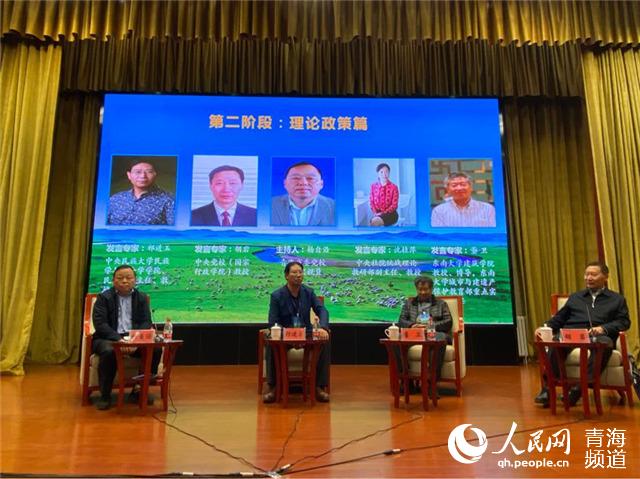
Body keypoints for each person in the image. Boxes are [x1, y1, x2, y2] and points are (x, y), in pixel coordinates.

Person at [534, 261, 630, 407]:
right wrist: (545, 327)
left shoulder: (617, 299)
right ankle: (548, 389)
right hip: (572, 333)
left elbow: (624, 322)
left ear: (605, 277)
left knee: (603, 344)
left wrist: (603, 328)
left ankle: (579, 389)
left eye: (593, 274)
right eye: (586, 274)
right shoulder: (576, 297)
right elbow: (559, 318)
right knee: (555, 343)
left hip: (598, 335)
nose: (589, 278)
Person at [91, 265, 162, 410]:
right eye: (120, 278)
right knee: (109, 352)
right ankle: (105, 395)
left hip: (134, 338)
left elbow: (146, 322)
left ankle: (139, 390)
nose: (124, 281)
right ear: (113, 280)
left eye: (129, 278)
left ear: (135, 280)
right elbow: (100, 324)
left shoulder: (141, 298)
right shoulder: (104, 298)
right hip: (108, 338)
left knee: (155, 350)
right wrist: (119, 340)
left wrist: (134, 340)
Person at [263, 261, 331, 403]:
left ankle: (318, 387)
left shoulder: (308, 292)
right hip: (284, 335)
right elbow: (273, 321)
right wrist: (285, 334)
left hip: (306, 334)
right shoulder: (277, 296)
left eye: (300, 272)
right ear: (286, 276)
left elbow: (322, 310)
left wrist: (323, 327)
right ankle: (274, 387)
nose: (298, 275)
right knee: (271, 342)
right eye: (294, 272)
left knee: (324, 341)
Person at [398, 275, 452, 382]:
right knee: (396, 342)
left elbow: (448, 322)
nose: (422, 292)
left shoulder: (441, 304)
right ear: (416, 289)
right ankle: (405, 379)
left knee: (440, 339)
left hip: (434, 333)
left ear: (431, 289)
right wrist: (412, 325)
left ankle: (432, 380)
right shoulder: (409, 303)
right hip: (415, 334)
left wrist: (431, 326)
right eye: (420, 289)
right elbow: (401, 320)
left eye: (425, 289)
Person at [108, 160, 175, 225]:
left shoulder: (169, 200)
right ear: (129, 175)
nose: (143, 176)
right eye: (138, 172)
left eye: (149, 172)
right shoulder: (115, 199)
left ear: (155, 174)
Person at [271, 162, 335, 226]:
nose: (303, 183)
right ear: (285, 183)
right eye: (296, 178)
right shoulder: (270, 205)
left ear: (321, 184)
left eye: (310, 178)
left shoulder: (335, 207)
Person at [191, 165, 257, 226]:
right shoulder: (193, 216)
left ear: (242, 185)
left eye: (232, 183)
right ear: (210, 186)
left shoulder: (255, 215)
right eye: (219, 183)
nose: (226, 189)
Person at [430, 172, 495, 227]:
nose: (459, 188)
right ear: (448, 189)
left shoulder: (487, 209)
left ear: (471, 187)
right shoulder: (439, 211)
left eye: (463, 184)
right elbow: (438, 236)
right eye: (454, 185)